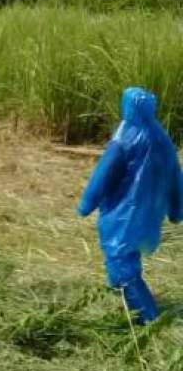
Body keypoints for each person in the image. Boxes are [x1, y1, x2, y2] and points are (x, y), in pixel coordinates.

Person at [78, 86, 183, 324]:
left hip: (123, 213)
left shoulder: (124, 137)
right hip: (149, 213)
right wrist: (177, 209)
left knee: (121, 261)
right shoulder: (162, 139)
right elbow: (176, 177)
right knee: (125, 258)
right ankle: (122, 299)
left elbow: (103, 175)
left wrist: (87, 203)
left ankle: (148, 319)